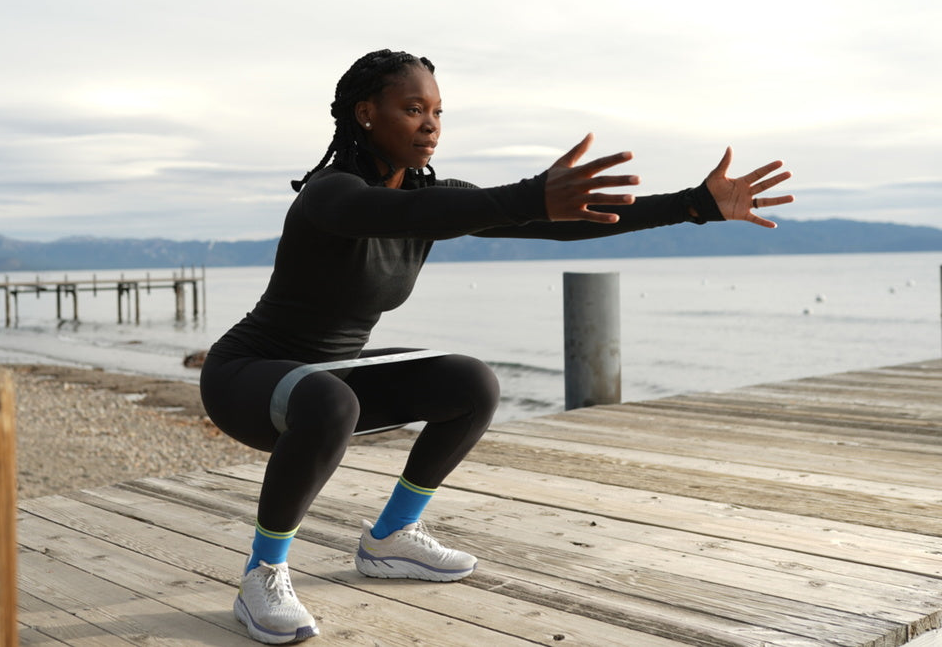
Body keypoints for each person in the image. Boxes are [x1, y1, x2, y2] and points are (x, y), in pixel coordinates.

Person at [200, 49, 793, 644]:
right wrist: (529, 194)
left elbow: (560, 221)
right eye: (412, 109)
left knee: (470, 383)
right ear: (365, 114)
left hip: (332, 375)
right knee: (331, 402)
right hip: (248, 377)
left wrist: (694, 205)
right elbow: (395, 211)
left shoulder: (436, 199)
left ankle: (391, 538)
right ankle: (263, 575)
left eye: (437, 112)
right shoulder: (330, 194)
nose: (430, 125)